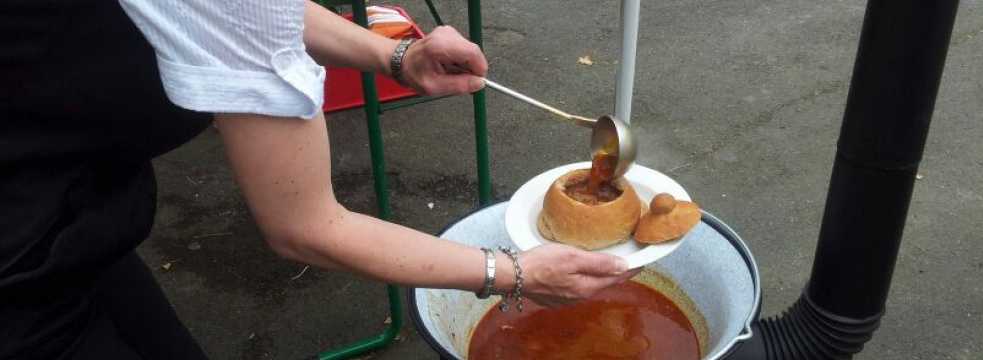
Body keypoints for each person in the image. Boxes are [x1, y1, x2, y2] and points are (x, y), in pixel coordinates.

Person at [0, 1, 639, 358]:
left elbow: (233, 13)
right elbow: (306, 228)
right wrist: (518, 272)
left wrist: (396, 56)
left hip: (75, 218)